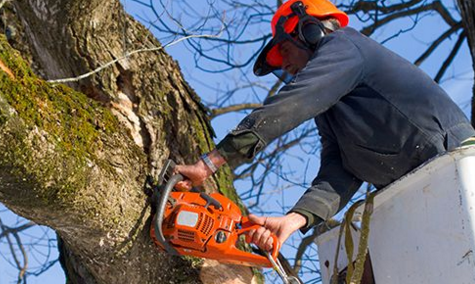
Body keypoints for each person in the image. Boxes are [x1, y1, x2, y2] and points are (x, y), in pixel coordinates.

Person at [175, 0, 475, 252]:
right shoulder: (333, 109)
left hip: (455, 164)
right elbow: (339, 171)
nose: (286, 66)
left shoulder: (345, 46)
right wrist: (293, 220)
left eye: (286, 52)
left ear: (310, 31)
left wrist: (211, 162)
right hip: (422, 191)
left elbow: (294, 102)